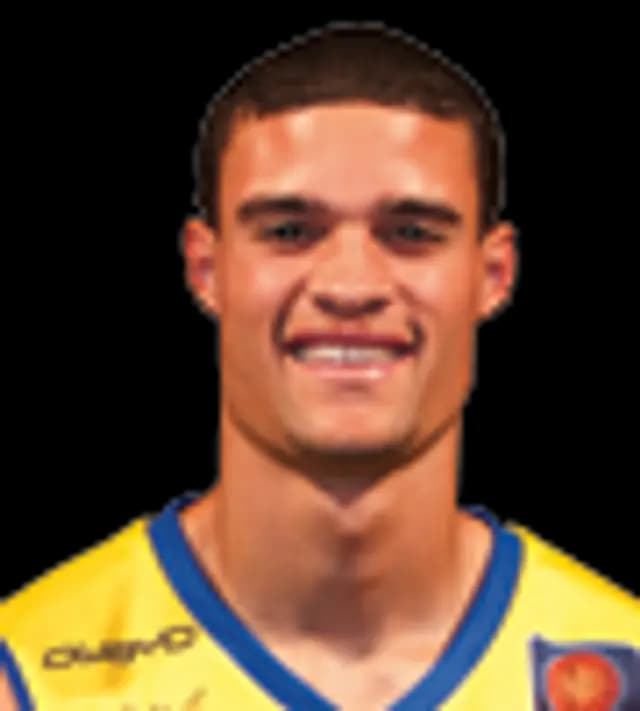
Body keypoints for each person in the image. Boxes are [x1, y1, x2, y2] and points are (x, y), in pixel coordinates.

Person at [1, 20, 638, 710]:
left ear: (493, 275)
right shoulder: (30, 674)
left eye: (411, 233)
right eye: (289, 231)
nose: (350, 285)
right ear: (207, 269)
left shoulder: (623, 667)